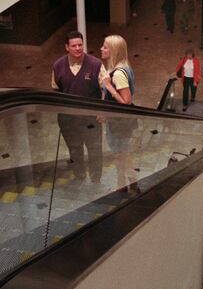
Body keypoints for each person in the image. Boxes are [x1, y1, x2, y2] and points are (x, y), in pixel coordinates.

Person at [51, 30, 105, 182]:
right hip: (68, 120)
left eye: (80, 45)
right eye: (74, 45)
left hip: (91, 119)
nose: (78, 48)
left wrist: (102, 111)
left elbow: (105, 90)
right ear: (67, 47)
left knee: (94, 149)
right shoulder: (57, 66)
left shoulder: (95, 64)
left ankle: (96, 179)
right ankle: (79, 176)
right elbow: (56, 91)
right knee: (74, 150)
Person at [100, 35, 138, 193]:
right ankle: (121, 184)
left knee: (122, 154)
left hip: (119, 123)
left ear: (114, 50)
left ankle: (134, 184)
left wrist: (108, 87)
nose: (102, 49)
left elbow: (126, 102)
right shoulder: (122, 67)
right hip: (118, 122)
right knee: (120, 154)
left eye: (105, 47)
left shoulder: (118, 74)